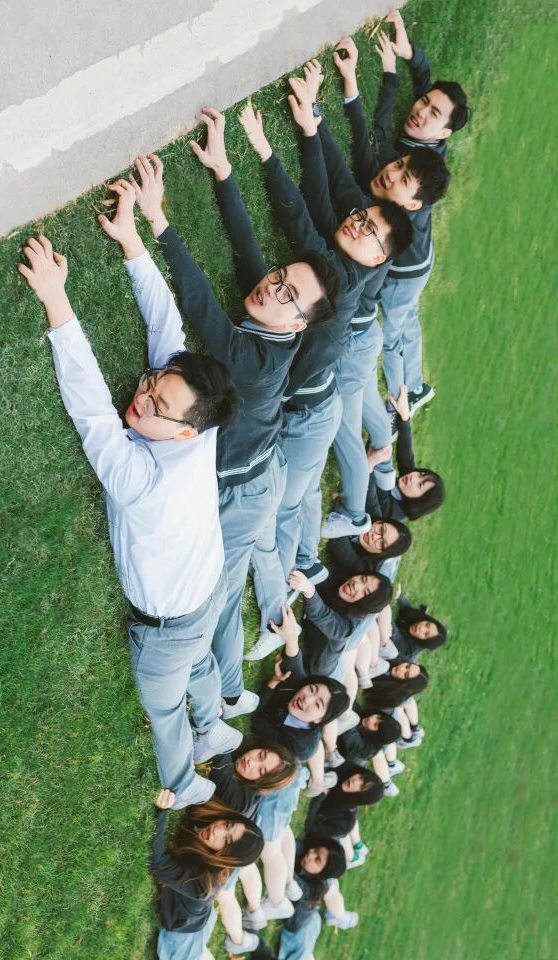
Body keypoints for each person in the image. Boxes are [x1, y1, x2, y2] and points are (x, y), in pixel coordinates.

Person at [17, 189, 242, 810]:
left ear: (186, 431)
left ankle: (185, 780)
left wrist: (56, 298)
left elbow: (91, 409)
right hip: (207, 585)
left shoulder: (142, 482)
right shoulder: (197, 420)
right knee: (199, 665)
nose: (141, 398)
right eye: (151, 384)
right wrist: (131, 241)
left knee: (164, 704)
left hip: (171, 621)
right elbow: (167, 330)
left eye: (157, 406)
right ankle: (214, 720)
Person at [131, 125, 339, 719]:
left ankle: (224, 695)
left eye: (286, 295)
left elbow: (200, 305)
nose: (271, 287)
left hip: (244, 488)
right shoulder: (274, 315)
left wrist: (158, 220)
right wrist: (223, 170)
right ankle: (242, 668)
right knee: (237, 573)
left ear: (296, 324)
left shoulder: (253, 360)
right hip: (260, 469)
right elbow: (247, 246)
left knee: (217, 595)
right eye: (280, 278)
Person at [238, 95, 411, 652]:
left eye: (369, 230)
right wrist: (308, 131)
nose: (356, 224)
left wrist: (266, 149)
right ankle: (305, 569)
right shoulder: (342, 264)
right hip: (318, 405)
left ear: (378, 257)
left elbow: (300, 216)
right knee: (295, 501)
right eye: (361, 218)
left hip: (311, 412)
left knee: (277, 514)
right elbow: (315, 202)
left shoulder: (339, 281)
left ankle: (278, 617)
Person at [293, 53, 446, 541]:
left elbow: (336, 187)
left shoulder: (387, 236)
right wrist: (318, 114)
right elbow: (351, 166)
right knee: (364, 415)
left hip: (358, 340)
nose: (390, 175)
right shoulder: (381, 210)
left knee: (342, 428)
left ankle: (356, 515)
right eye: (397, 167)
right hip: (365, 336)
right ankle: (391, 429)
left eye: (402, 179)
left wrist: (315, 123)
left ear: (413, 203)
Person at [371, 11, 469, 426]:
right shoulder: (432, 147)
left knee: (392, 335)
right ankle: (417, 385)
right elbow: (427, 80)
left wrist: (390, 74)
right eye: (424, 103)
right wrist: (409, 51)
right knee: (407, 319)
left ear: (444, 133)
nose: (421, 112)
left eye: (433, 115)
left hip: (406, 270)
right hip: (421, 259)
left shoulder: (411, 166)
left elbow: (376, 135)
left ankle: (401, 402)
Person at [249, 606, 349, 922]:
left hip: (279, 789)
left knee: (269, 847)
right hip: (289, 781)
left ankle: (277, 900)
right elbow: (297, 671)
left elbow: (259, 724)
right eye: (313, 690)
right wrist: (292, 639)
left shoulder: (302, 743)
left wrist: (271, 686)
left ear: (319, 720)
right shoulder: (302, 693)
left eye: (317, 704)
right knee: (282, 834)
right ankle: (289, 885)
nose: (307, 698)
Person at [206, 741, 300, 954]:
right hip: (240, 838)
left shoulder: (238, 796)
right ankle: (256, 912)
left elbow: (216, 749)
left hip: (231, 848)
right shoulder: (247, 786)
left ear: (264, 782)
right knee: (246, 870)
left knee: (225, 893)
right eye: (261, 754)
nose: (252, 762)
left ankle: (239, 941)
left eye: (261, 770)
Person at [151, 788, 264, 960]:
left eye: (226, 841)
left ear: (228, 857)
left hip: (185, 931)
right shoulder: (211, 815)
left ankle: (244, 942)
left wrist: (161, 812)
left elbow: (157, 864)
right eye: (227, 825)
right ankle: (244, 941)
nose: (216, 831)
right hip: (202, 913)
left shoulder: (204, 885)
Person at [289, 567, 393, 679]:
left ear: (366, 604)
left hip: (329, 673)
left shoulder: (346, 628)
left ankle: (371, 669)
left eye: (365, 593)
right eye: (363, 579)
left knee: (350, 671)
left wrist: (310, 591)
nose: (356, 585)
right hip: (339, 648)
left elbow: (321, 614)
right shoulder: (341, 582)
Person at [365, 385, 445, 523]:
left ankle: (389, 422)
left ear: (419, 502)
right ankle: (397, 410)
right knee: (384, 450)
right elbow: (406, 458)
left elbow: (369, 494)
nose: (414, 477)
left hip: (360, 483)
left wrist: (370, 465)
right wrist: (405, 418)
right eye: (421, 474)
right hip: (369, 467)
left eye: (420, 485)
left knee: (387, 474)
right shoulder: (408, 484)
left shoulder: (393, 515)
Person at [277, 837, 355, 958]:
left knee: (303, 950)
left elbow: (284, 872)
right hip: (310, 918)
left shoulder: (308, 890)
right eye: (316, 849)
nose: (311, 854)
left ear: (320, 874)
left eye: (317, 859)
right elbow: (290, 843)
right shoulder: (309, 863)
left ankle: (341, 917)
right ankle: (339, 916)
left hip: (296, 931)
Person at [390, 594, 448, 662]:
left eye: (426, 634)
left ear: (426, 642)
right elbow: (407, 609)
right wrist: (399, 596)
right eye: (427, 624)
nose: (421, 628)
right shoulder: (420, 619)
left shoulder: (409, 651)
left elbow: (390, 627)